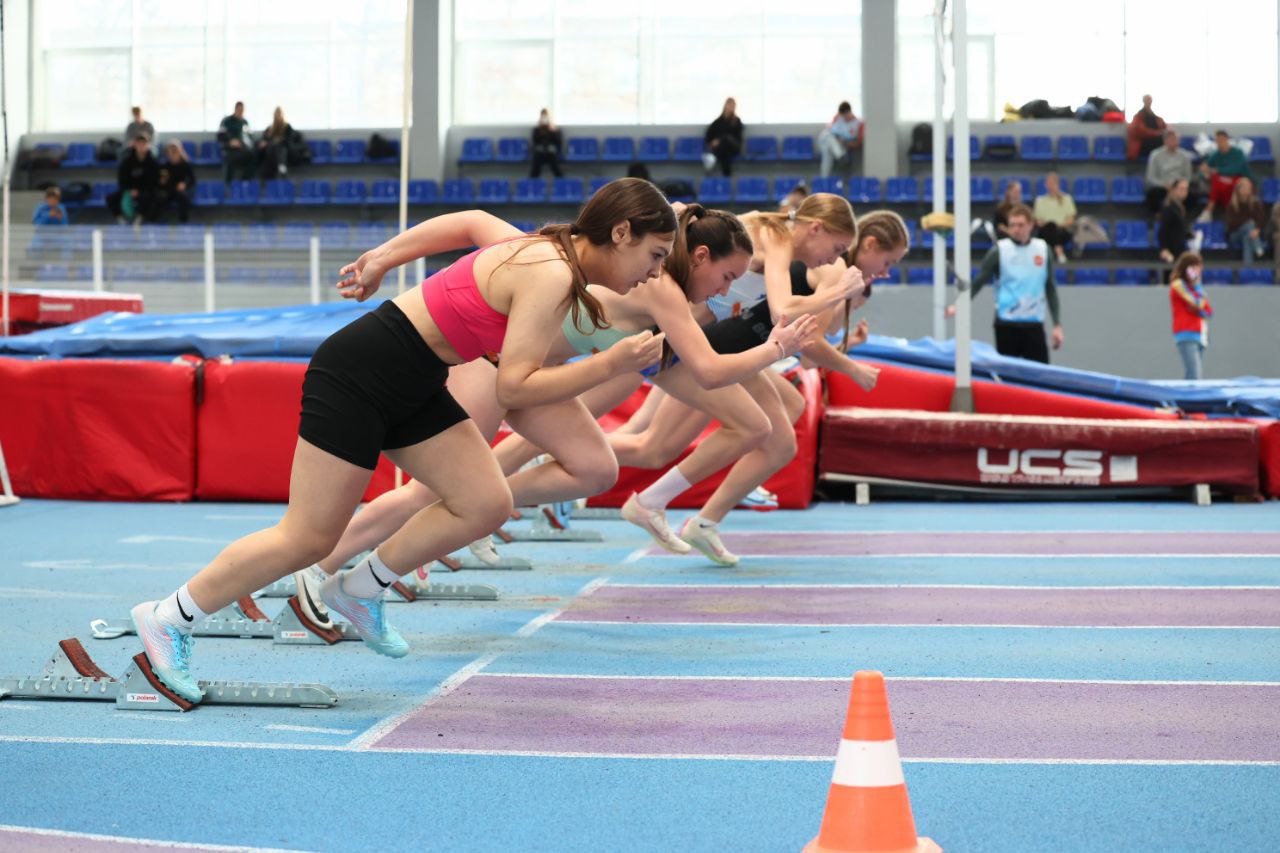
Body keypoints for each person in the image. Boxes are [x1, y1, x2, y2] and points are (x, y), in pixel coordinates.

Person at [126, 178, 677, 702]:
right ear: (622, 233)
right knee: (308, 539)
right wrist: (610, 363)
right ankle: (168, 617)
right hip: (360, 373)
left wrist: (385, 257)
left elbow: (470, 221)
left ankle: (360, 587)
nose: (654, 275)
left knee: (486, 502)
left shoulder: (548, 253)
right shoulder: (549, 270)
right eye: (654, 256)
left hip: (417, 380)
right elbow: (515, 384)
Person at [291, 206, 820, 609]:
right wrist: (385, 256)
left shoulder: (667, 292)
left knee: (594, 468)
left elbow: (693, 367)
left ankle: (461, 519)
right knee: (433, 490)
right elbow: (706, 370)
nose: (730, 291)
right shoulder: (654, 286)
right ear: (696, 257)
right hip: (492, 366)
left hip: (537, 380)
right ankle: (318, 569)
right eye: (728, 278)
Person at [606, 208, 902, 565]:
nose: (887, 272)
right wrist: (850, 364)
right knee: (656, 444)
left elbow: (806, 336)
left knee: (782, 419)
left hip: (728, 346)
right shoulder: (816, 260)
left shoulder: (803, 254)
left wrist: (845, 346)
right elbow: (792, 324)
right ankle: (590, 469)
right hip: (713, 346)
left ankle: (704, 508)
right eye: (889, 261)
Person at [946, 203, 1062, 364]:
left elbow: (1050, 287)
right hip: (1007, 323)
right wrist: (960, 304)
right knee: (1008, 376)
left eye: (1020, 225)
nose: (1016, 229)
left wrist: (1057, 324)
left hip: (1034, 323)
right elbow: (979, 280)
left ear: (1031, 225)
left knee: (1040, 375)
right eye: (1012, 225)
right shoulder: (999, 250)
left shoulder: (1043, 250)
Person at [1032, 172, 1108, 262]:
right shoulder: (1040, 201)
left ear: (1058, 184)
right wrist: (1051, 226)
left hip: (1063, 232)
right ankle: (1059, 251)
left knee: (1054, 229)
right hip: (1045, 231)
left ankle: (1047, 257)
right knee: (1050, 227)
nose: (1050, 186)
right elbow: (1038, 221)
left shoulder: (1067, 199)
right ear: (1045, 185)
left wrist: (1058, 227)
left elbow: (1071, 220)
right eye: (1048, 183)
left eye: (1052, 183)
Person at [1167, 251, 1211, 380]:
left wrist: (1198, 306)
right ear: (1189, 268)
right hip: (1186, 333)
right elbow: (1197, 303)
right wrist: (1197, 286)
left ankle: (1185, 400)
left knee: (1193, 375)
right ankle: (1188, 400)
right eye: (1197, 266)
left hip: (1200, 334)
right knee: (1194, 375)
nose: (1200, 269)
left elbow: (1207, 311)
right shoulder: (1178, 285)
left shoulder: (1195, 288)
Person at [1197, 130, 1255, 223]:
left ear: (1227, 139)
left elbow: (1236, 169)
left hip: (1241, 180)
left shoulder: (1238, 152)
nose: (1220, 142)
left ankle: (1208, 210)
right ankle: (1229, 211)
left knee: (1217, 179)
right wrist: (1204, 170)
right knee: (1216, 180)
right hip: (1223, 182)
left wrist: (1217, 170)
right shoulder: (1215, 154)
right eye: (1217, 140)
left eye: (1222, 140)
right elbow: (1206, 168)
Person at [107, 134, 160, 224]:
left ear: (148, 145)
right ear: (135, 144)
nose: (141, 146)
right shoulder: (127, 161)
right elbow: (122, 179)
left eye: (144, 144)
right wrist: (129, 190)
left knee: (151, 197)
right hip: (129, 189)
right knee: (111, 198)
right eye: (139, 144)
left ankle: (140, 218)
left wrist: (139, 191)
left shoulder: (152, 162)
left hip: (145, 190)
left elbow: (153, 181)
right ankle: (121, 219)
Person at [1145, 129, 1197, 215]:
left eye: (1175, 139)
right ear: (1165, 141)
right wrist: (1164, 185)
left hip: (1180, 186)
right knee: (1153, 195)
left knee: (1193, 195)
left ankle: (1182, 216)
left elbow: (1188, 176)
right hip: (1162, 186)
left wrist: (1179, 186)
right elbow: (1151, 177)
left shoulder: (1184, 155)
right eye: (1170, 139)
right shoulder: (1155, 155)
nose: (1173, 142)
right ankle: (1160, 216)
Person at [1158, 179, 1202, 264]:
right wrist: (1164, 249)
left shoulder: (1179, 207)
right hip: (1171, 253)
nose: (1184, 192)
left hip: (1179, 250)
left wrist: (1189, 234)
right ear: (1174, 189)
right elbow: (1163, 231)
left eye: (1186, 189)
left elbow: (1177, 229)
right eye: (1181, 189)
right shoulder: (1169, 208)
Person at [817, 101, 864, 178]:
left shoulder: (858, 123)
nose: (844, 117)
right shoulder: (838, 117)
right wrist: (837, 138)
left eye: (845, 115)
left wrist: (844, 141)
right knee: (828, 138)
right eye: (842, 115)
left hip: (844, 146)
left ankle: (824, 178)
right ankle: (840, 156)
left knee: (827, 150)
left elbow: (857, 143)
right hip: (834, 144)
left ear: (849, 112)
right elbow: (831, 129)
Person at [1225, 177, 1267, 263]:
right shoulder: (1231, 205)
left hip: (1251, 233)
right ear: (1238, 189)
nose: (1246, 190)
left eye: (1248, 187)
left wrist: (1257, 229)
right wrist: (1248, 223)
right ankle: (1258, 247)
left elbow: (1261, 219)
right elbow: (1231, 223)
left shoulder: (1255, 203)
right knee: (1250, 224)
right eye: (1243, 187)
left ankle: (1248, 268)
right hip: (1235, 234)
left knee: (1247, 238)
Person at [256, 107, 301, 180]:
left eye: (279, 114)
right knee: (271, 150)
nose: (277, 117)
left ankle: (282, 167)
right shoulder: (270, 128)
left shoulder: (287, 127)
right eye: (276, 115)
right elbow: (265, 139)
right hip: (271, 154)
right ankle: (280, 168)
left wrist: (279, 140)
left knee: (280, 148)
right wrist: (268, 142)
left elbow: (289, 141)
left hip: (286, 153)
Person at [157, 140, 196, 224]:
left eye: (174, 152)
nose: (171, 155)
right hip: (169, 190)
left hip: (181, 191)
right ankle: (161, 222)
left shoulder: (186, 165)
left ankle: (184, 222)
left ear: (179, 152)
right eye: (169, 152)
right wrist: (164, 183)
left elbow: (192, 180)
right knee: (160, 197)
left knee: (183, 197)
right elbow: (162, 183)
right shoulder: (164, 166)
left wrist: (185, 185)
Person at [704, 97, 743, 177]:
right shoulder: (718, 121)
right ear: (725, 106)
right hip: (724, 149)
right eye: (729, 105)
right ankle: (726, 177)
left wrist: (719, 140)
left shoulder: (737, 121)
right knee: (725, 153)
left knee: (726, 138)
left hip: (734, 146)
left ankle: (712, 156)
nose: (730, 108)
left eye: (732, 106)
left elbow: (737, 138)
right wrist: (712, 141)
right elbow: (709, 134)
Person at [217, 101, 255, 184]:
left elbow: (250, 138)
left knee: (253, 157)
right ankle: (228, 184)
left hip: (243, 150)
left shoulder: (245, 122)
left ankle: (245, 182)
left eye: (242, 110)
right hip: (230, 150)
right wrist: (230, 142)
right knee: (229, 161)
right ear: (235, 109)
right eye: (239, 110)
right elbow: (220, 136)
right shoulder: (227, 121)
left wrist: (246, 144)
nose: (241, 112)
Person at [1126, 94, 1166, 161]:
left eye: (1150, 100)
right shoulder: (1138, 116)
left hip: (1153, 142)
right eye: (1147, 100)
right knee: (1160, 141)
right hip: (1142, 144)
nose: (1149, 102)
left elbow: (1164, 127)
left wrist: (1164, 131)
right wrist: (1156, 133)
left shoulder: (1155, 116)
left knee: (1166, 139)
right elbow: (1140, 131)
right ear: (1143, 101)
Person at [530, 108, 564, 179]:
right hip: (540, 153)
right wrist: (540, 132)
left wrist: (552, 132)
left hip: (551, 153)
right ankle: (532, 183)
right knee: (535, 168)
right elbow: (535, 142)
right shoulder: (537, 129)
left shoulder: (555, 129)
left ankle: (561, 183)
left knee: (556, 168)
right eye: (543, 116)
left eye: (546, 116)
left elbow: (558, 142)